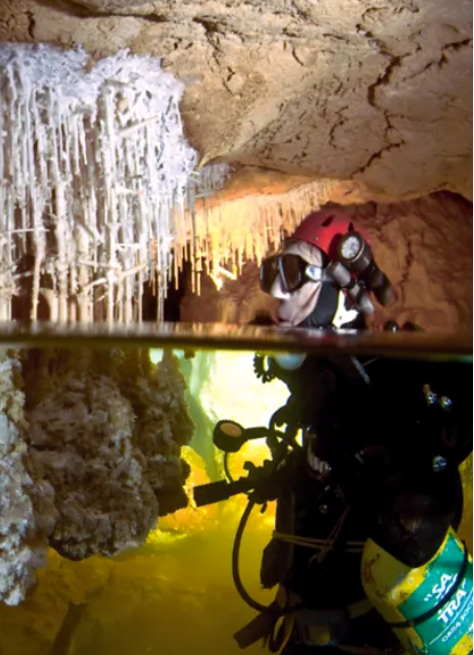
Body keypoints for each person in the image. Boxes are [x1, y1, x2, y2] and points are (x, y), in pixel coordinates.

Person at [195, 209, 472, 655]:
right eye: (272, 274)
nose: (277, 293)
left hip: (362, 641)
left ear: (341, 288)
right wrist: (290, 473)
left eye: (292, 273)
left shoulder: (386, 380)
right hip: (303, 630)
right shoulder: (322, 387)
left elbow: (409, 512)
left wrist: (357, 453)